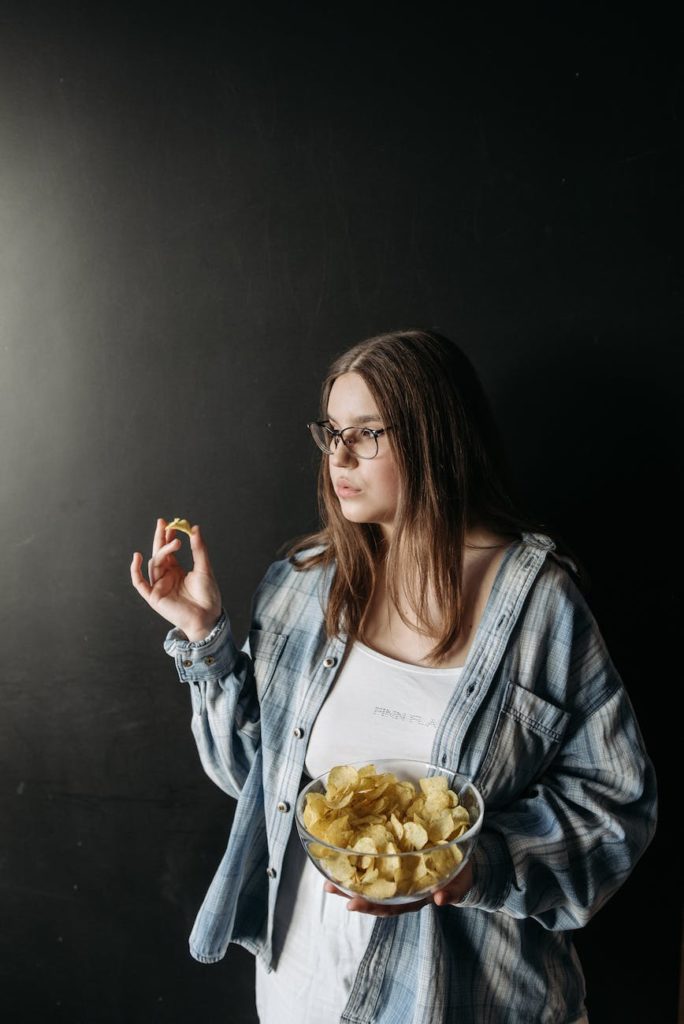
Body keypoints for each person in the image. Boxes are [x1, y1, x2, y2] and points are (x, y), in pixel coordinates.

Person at [130, 328, 657, 1024]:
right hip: (302, 993)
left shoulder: (538, 606)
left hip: (465, 1001)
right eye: (331, 432)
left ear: (435, 439)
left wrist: (477, 865)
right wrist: (204, 638)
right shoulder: (302, 583)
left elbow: (615, 806)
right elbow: (251, 780)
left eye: (367, 434)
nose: (338, 458)